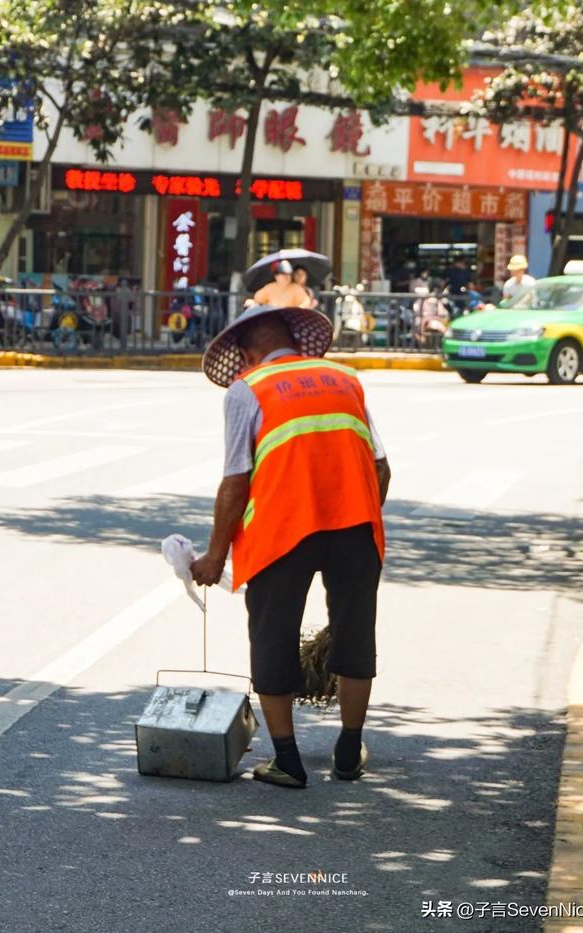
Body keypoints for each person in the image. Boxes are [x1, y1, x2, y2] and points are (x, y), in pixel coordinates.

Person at [192, 304, 391, 789]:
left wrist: (214, 556)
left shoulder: (247, 390)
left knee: (273, 635)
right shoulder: (346, 379)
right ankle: (348, 751)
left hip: (283, 532)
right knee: (354, 633)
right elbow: (382, 468)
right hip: (355, 526)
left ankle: (287, 761)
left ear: (246, 351)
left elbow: (236, 482)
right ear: (291, 340)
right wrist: (361, 516)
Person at [244, 259, 311, 310]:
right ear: (276, 276)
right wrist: (252, 302)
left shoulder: (296, 288)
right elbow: (257, 299)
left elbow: (305, 302)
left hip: (290, 318)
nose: (286, 277)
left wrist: (300, 308)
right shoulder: (270, 288)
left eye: (289, 274)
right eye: (283, 274)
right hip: (273, 318)